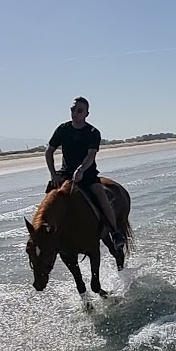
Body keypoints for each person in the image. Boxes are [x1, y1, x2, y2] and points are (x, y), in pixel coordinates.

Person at [45, 97, 125, 247]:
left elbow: (91, 154)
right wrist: (53, 174)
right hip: (65, 174)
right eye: (73, 110)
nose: (75, 113)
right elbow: (49, 152)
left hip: (87, 175)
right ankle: (44, 236)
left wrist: (81, 170)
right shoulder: (62, 129)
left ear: (86, 114)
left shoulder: (93, 132)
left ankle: (115, 233)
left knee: (102, 198)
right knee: (49, 202)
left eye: (79, 110)